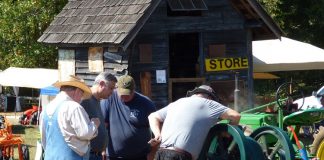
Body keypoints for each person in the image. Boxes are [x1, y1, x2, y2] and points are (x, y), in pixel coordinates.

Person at [148, 85, 241, 160]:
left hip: (161, 153)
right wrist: (226, 134)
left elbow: (153, 116)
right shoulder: (209, 103)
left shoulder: (177, 103)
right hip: (180, 156)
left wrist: (157, 135)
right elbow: (236, 116)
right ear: (210, 97)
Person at [40, 75, 100, 160]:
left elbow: (44, 138)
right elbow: (85, 133)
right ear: (77, 91)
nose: (81, 99)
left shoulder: (47, 108)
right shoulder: (73, 107)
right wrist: (94, 124)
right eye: (81, 94)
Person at [100, 75, 156, 160]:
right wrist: (102, 149)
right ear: (117, 88)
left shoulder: (146, 103)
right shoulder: (108, 99)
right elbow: (103, 126)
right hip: (113, 156)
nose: (124, 96)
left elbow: (157, 132)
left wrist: (152, 153)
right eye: (122, 93)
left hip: (140, 156)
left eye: (128, 94)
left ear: (134, 90)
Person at [81, 72, 117, 160]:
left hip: (96, 155)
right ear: (101, 84)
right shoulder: (85, 100)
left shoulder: (97, 101)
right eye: (111, 88)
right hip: (88, 155)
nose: (112, 92)